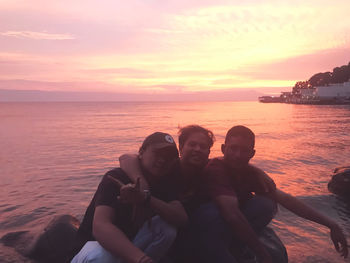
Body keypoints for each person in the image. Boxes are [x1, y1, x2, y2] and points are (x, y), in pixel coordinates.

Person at [119, 125, 274, 262]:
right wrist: (143, 187)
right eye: (192, 144)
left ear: (208, 152)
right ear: (181, 148)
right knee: (210, 213)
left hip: (201, 231)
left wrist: (256, 170)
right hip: (171, 233)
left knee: (263, 205)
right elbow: (127, 157)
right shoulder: (167, 169)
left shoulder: (209, 171)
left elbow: (227, 161)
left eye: (203, 146)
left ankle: (235, 248)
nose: (197, 149)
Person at [203, 125, 348, 262]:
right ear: (223, 148)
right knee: (213, 212)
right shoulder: (216, 170)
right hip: (207, 229)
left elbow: (287, 200)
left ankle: (237, 244)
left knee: (266, 204)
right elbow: (232, 215)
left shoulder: (248, 172)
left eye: (244, 150)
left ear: (252, 153)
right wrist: (263, 254)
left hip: (228, 226)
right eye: (233, 149)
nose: (238, 155)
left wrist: (331, 224)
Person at [71, 132, 188, 263]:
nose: (162, 160)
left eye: (168, 156)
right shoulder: (116, 177)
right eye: (158, 153)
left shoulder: (164, 183)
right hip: (92, 249)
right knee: (102, 255)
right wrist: (142, 259)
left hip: (128, 249)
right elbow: (100, 226)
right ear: (142, 152)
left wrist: (146, 198)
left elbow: (181, 218)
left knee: (167, 229)